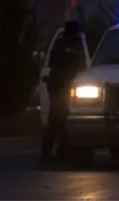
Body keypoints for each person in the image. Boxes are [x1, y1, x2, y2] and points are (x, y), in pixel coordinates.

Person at [40, 20, 86, 161]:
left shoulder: (69, 44)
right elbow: (66, 66)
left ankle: (60, 152)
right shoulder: (65, 45)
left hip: (64, 87)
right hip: (60, 87)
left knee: (61, 121)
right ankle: (52, 152)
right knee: (57, 120)